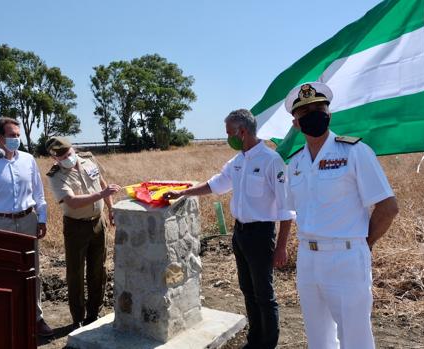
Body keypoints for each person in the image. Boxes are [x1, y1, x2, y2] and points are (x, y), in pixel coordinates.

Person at [164, 109, 294, 349]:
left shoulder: (271, 160)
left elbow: (286, 208)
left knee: (264, 294)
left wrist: (282, 246)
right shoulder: (237, 161)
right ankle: (254, 340)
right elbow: (216, 184)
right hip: (240, 234)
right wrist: (183, 192)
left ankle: (268, 343)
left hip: (261, 234)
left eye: (229, 133)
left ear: (242, 132)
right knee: (247, 289)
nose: (228, 138)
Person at [284, 82, 399, 349]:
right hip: (308, 258)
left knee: (355, 339)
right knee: (318, 338)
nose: (313, 114)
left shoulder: (354, 152)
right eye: (305, 112)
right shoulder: (296, 163)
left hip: (346, 257)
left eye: (318, 108)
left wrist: (364, 243)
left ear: (329, 114)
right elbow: (294, 209)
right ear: (297, 124)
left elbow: (388, 206)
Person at [0, 117, 53, 337]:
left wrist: (42, 217)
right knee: (1, 272)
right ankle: (5, 316)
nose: (16, 139)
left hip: (28, 220)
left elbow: (38, 192)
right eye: (12, 135)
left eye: (18, 135)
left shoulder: (28, 160)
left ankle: (36, 318)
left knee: (32, 270)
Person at [45, 136, 121, 328]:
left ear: (73, 150)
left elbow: (102, 184)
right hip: (76, 227)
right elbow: (72, 201)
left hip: (98, 222)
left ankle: (94, 312)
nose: (67, 158)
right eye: (61, 157)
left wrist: (110, 208)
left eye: (68, 154)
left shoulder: (88, 160)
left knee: (99, 268)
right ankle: (78, 317)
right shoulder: (56, 176)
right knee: (76, 272)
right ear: (55, 159)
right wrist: (102, 195)